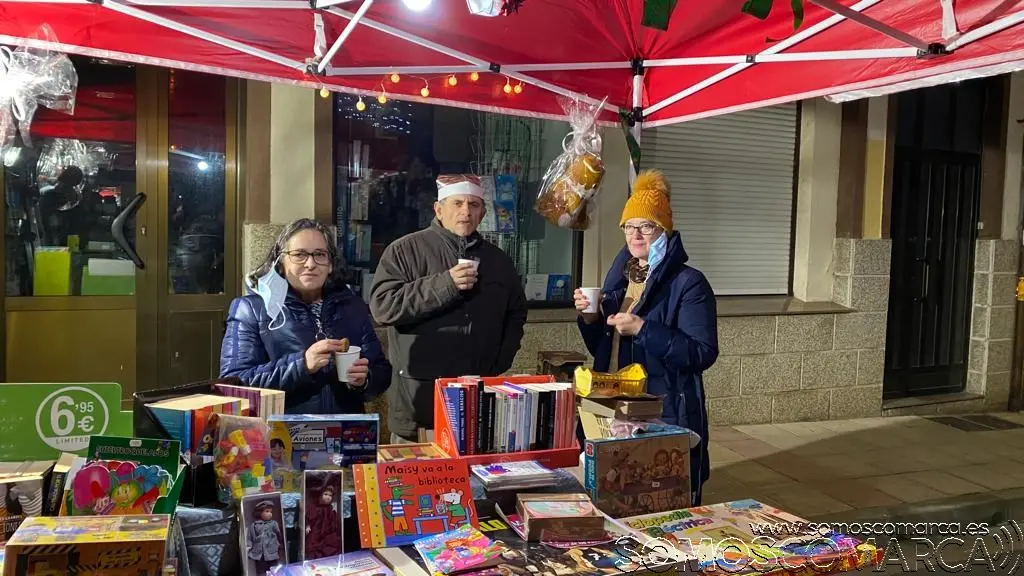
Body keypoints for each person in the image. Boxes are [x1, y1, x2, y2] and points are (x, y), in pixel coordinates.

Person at [574, 170, 718, 505]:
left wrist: (643, 329)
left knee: (659, 502)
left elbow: (702, 352)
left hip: (662, 409)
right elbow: (604, 346)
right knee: (615, 499)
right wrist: (590, 317)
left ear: (664, 229)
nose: (636, 234)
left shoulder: (689, 283)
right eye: (629, 226)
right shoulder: (620, 275)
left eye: (647, 226)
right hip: (611, 404)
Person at [370, 174, 528, 444]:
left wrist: (499, 362)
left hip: (479, 404)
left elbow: (516, 313)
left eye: (474, 205)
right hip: (420, 409)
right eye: (457, 204)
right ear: (438, 209)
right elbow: (384, 307)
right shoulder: (405, 251)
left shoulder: (498, 260)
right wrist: (446, 283)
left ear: (483, 213)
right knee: (419, 485)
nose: (466, 212)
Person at [219, 218, 391, 413]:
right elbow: (233, 385)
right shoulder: (250, 309)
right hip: (281, 436)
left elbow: (381, 372)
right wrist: (301, 365)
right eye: (299, 255)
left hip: (345, 434)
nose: (310, 264)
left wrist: (364, 380)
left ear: (331, 265)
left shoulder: (352, 307)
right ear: (280, 263)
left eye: (319, 254)